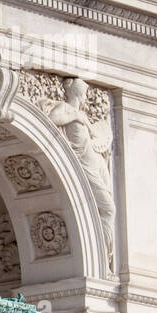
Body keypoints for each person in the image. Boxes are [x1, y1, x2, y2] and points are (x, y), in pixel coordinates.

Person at [45, 77, 116, 266]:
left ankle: (100, 255)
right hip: (83, 166)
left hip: (94, 165)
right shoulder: (66, 109)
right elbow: (51, 119)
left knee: (107, 209)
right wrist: (76, 117)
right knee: (108, 209)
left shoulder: (82, 115)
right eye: (84, 94)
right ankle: (101, 254)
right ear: (78, 94)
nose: (85, 99)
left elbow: (95, 140)